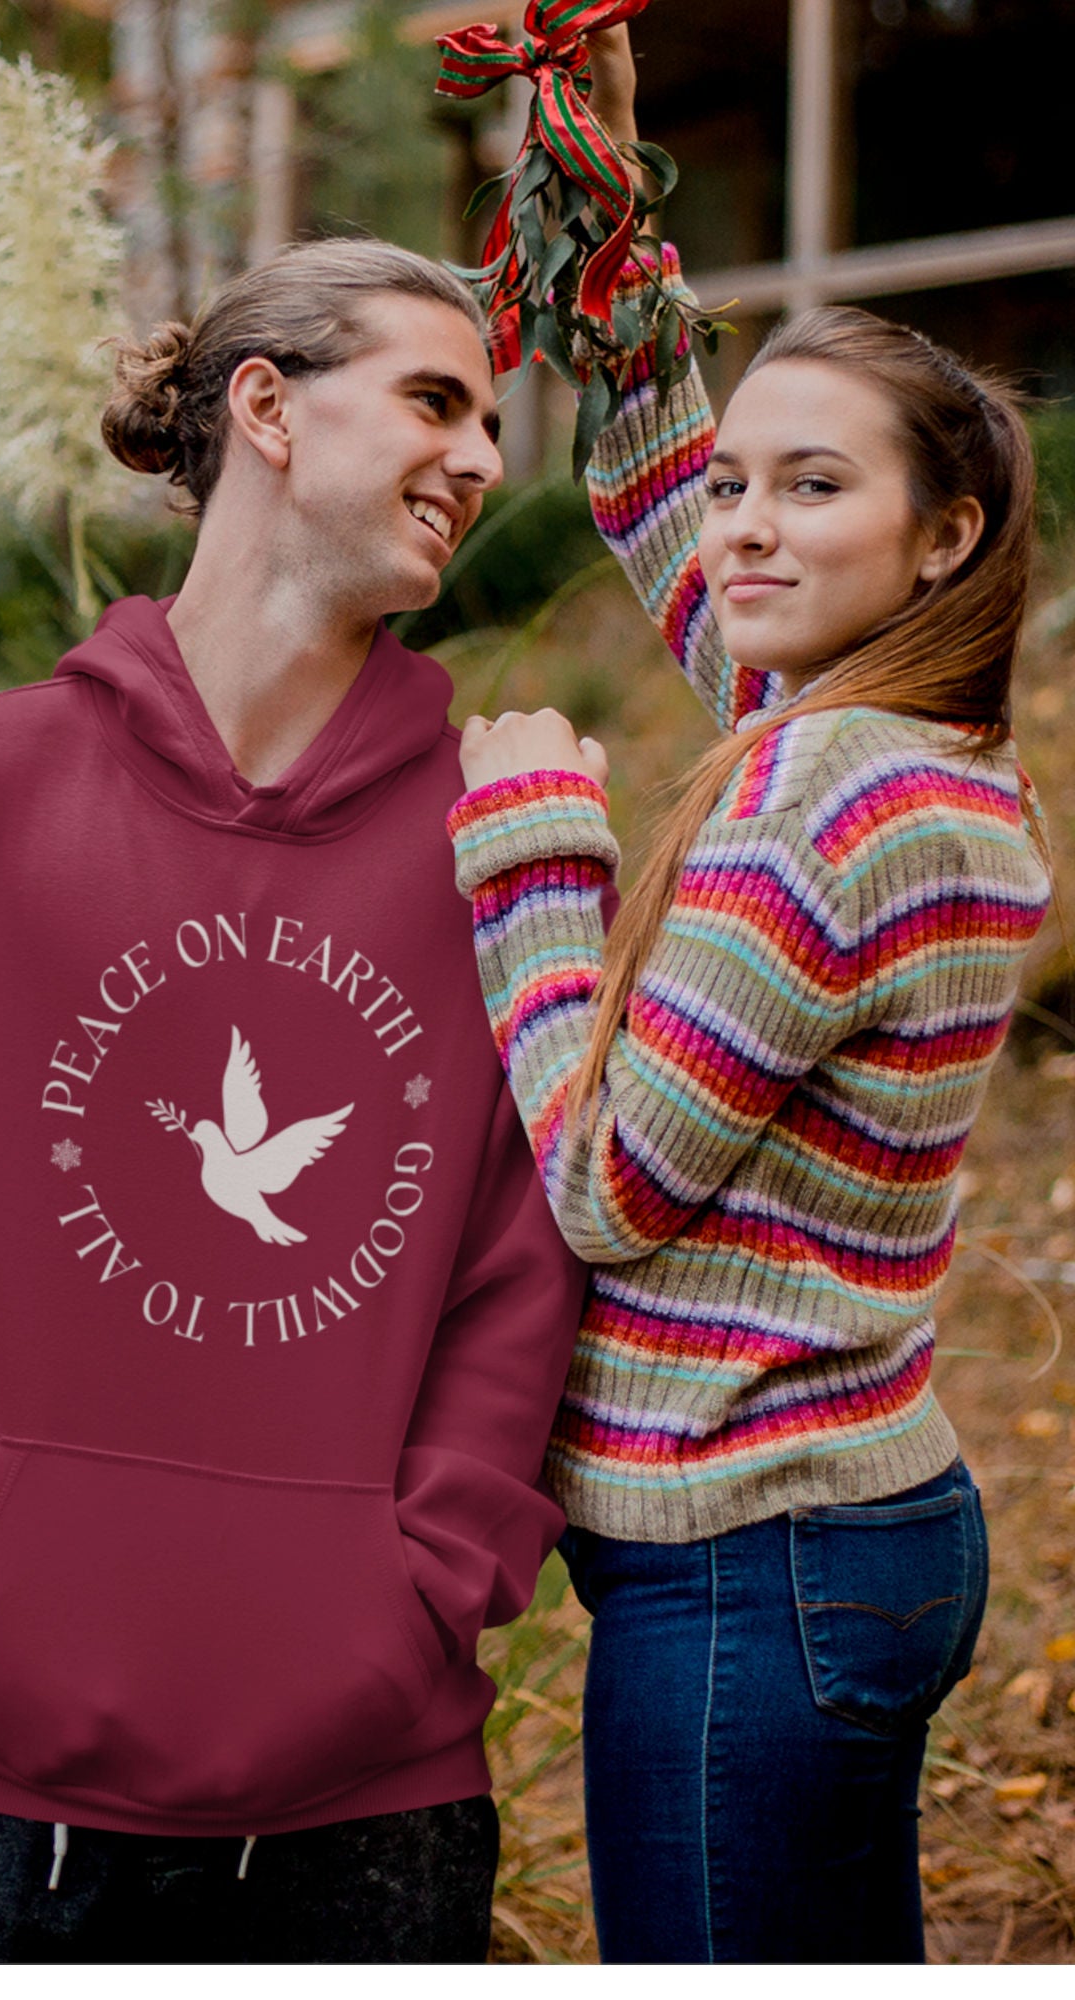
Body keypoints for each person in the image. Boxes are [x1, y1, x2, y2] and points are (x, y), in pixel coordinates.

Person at [0, 239, 589, 1963]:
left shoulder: (502, 838)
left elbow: (528, 1253)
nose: (485, 460)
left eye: (494, 420)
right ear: (265, 408)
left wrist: (427, 1582)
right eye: (435, 398)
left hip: (378, 1810)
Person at [443, 29, 1051, 1964]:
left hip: (751, 1566)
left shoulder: (829, 800)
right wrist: (615, 247)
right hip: (850, 1523)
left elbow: (609, 1184)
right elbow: (672, 533)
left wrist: (537, 866)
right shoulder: (914, 748)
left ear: (943, 536)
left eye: (812, 487)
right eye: (740, 487)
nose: (747, 528)